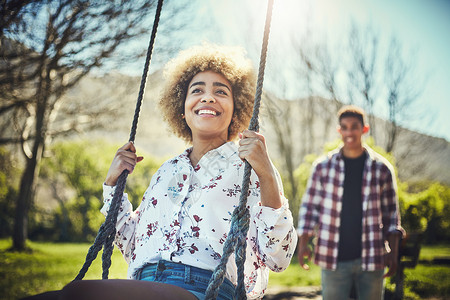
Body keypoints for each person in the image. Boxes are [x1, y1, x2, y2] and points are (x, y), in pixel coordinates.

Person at [23, 44, 297, 300]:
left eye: (221, 91)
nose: (209, 97)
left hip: (206, 290)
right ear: (182, 110)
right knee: (62, 294)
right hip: (145, 283)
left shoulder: (251, 166)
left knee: (78, 295)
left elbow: (278, 258)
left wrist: (267, 175)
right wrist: (111, 184)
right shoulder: (167, 171)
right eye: (197, 90)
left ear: (236, 109)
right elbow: (132, 244)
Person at [296, 105, 405, 300]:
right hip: (333, 259)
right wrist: (303, 243)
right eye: (344, 127)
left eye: (354, 127)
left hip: (372, 258)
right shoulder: (322, 167)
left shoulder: (382, 169)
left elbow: (391, 215)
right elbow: (310, 208)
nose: (349, 132)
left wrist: (393, 253)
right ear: (339, 131)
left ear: (364, 129)